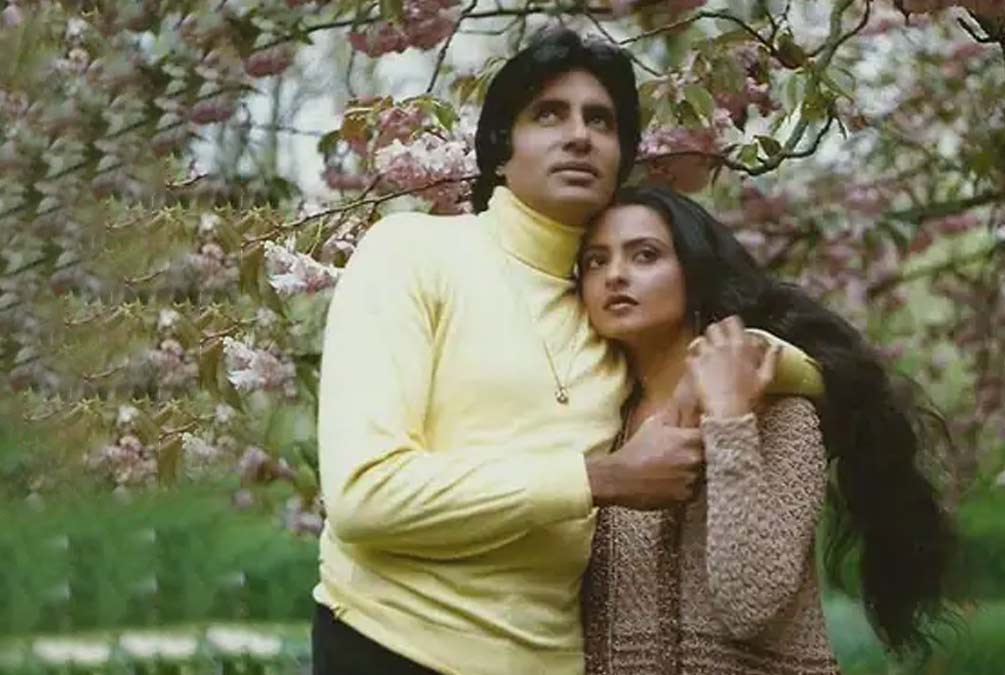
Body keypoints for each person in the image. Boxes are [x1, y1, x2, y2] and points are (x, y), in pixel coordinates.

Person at [310, 29, 817, 675]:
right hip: (387, 644)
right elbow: (363, 497)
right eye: (549, 114)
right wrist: (601, 478)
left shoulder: (612, 312)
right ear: (500, 150)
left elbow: (806, 366)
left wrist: (719, 372)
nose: (579, 136)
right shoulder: (411, 252)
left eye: (600, 121)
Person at [578, 187, 957, 675]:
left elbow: (750, 600)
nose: (615, 275)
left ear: (694, 272)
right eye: (595, 261)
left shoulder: (781, 415)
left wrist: (729, 422)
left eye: (645, 255)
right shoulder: (594, 421)